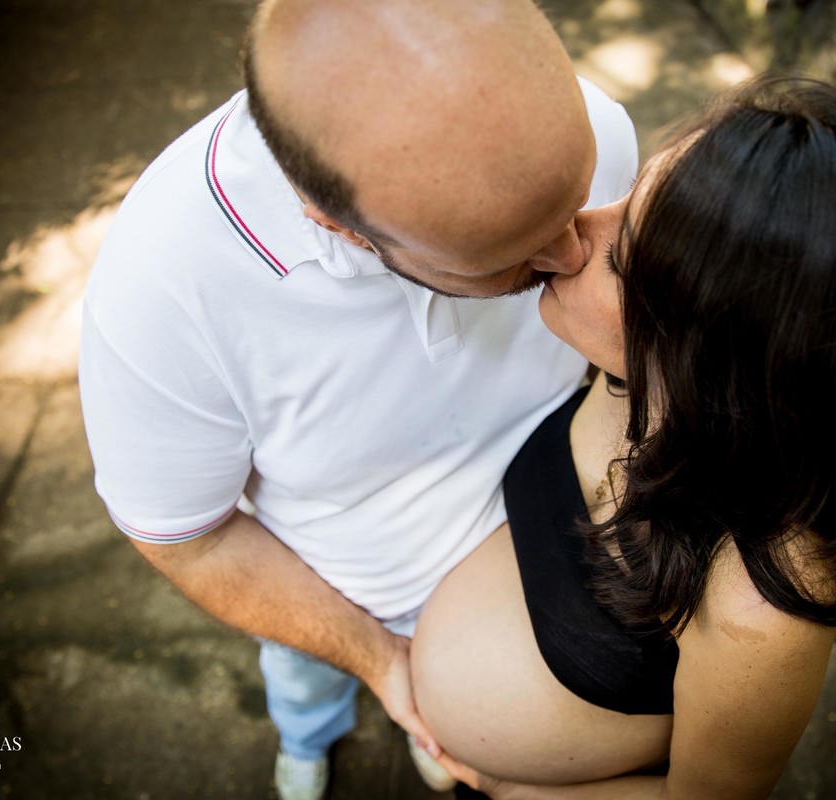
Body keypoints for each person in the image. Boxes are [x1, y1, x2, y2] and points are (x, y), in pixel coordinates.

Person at [76, 1, 638, 798]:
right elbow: (189, 539)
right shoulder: (161, 295)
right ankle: (308, 740)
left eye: (577, 201)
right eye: (509, 257)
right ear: (341, 229)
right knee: (305, 683)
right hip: (338, 593)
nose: (575, 252)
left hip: (537, 551)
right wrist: (381, 661)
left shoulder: (591, 130)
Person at [410, 74, 836, 799]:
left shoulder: (762, 602)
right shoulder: (638, 378)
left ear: (719, 369)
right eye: (630, 194)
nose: (574, 231)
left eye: (623, 259)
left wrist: (515, 789)